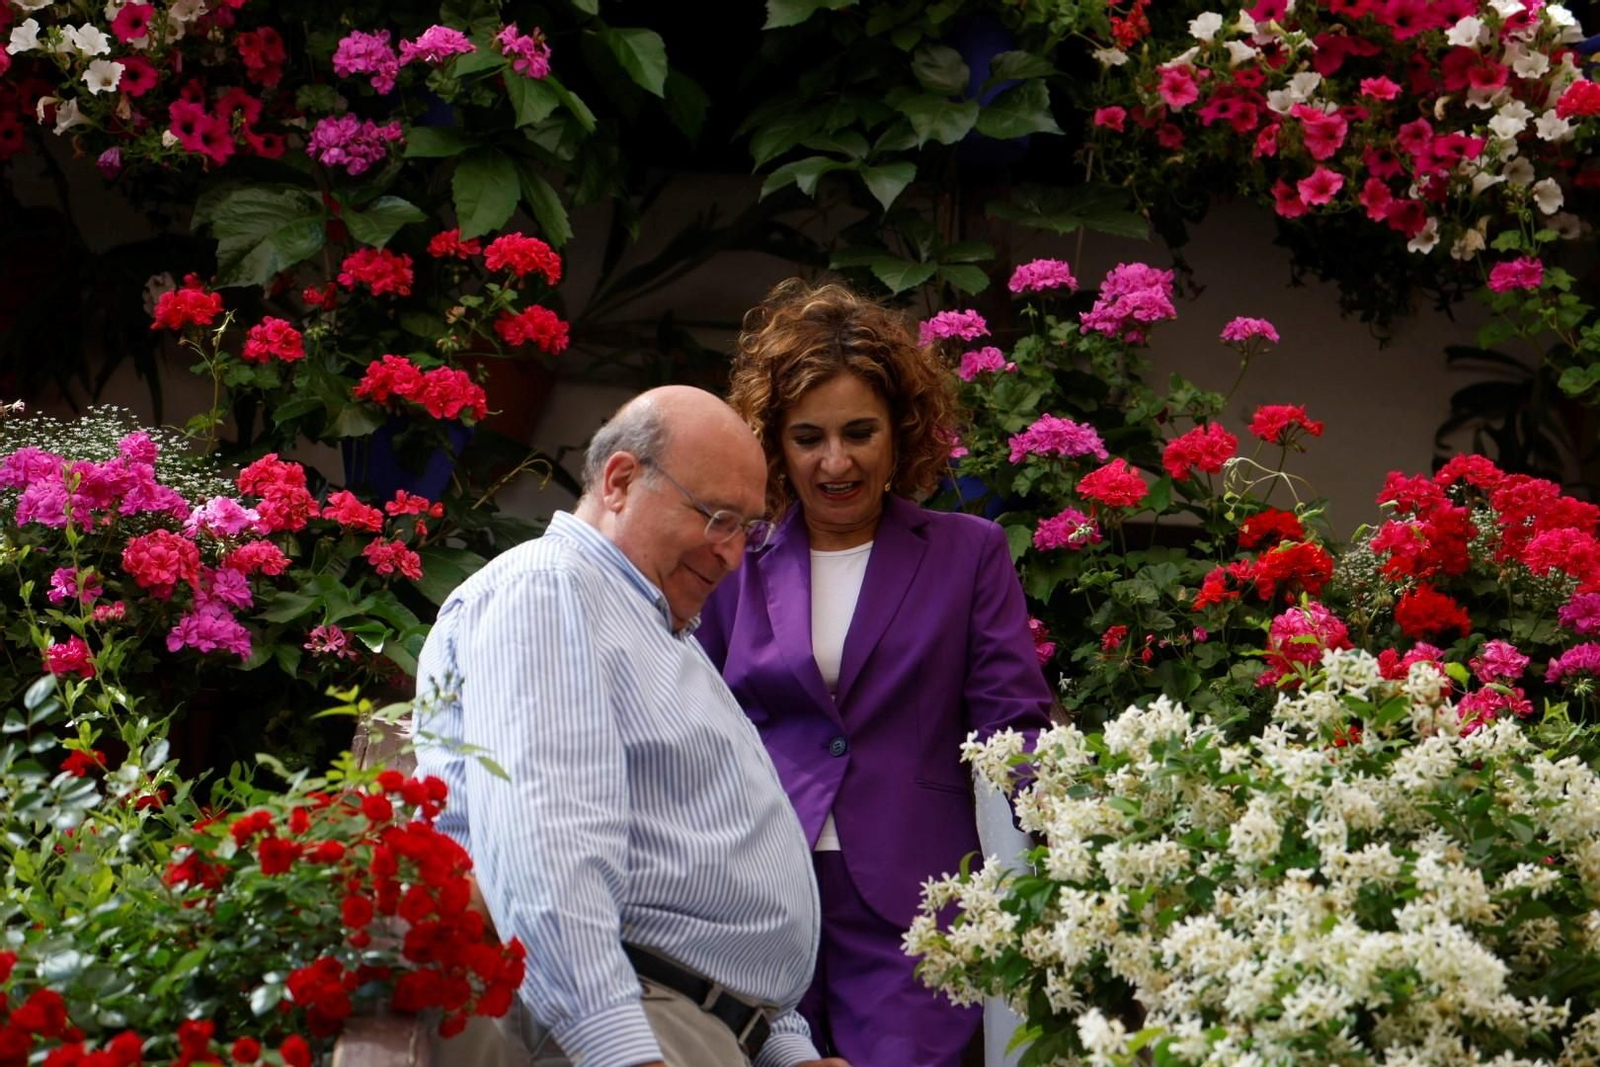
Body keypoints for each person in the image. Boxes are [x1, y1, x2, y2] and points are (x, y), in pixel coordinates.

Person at [414, 385, 850, 1067]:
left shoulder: (657, 625)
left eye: (748, 528)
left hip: (694, 1030)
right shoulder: (550, 587)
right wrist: (619, 1051)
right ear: (620, 480)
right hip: (636, 1029)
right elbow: (547, 844)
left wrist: (785, 1047)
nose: (733, 554)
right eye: (717, 518)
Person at [695, 280, 1056, 1067]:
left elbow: (1013, 719)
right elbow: (693, 715)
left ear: (901, 431)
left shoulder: (969, 552)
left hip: (917, 898)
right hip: (761, 892)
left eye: (860, 431)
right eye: (807, 436)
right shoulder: (734, 562)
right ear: (774, 443)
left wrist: (1072, 838)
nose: (836, 460)